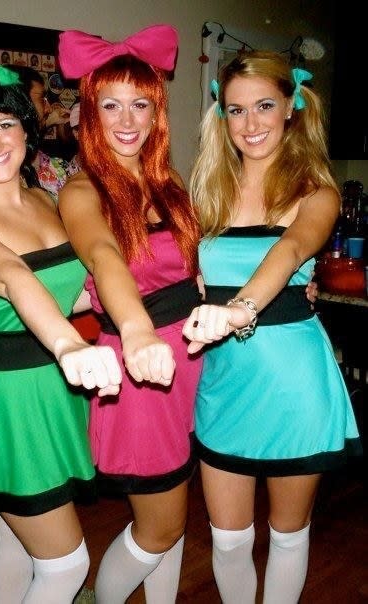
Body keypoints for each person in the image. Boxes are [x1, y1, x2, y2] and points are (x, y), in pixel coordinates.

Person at [0, 64, 123, 603]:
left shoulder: (42, 199)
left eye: (3, 123)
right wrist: (68, 344)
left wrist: (151, 299)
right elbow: (16, 279)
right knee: (65, 566)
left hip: (48, 386)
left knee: (19, 542)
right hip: (5, 397)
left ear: (25, 127)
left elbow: (71, 290)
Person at [182, 50, 362, 603]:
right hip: (225, 383)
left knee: (288, 534)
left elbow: (289, 250)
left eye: (264, 106)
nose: (251, 124)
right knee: (229, 539)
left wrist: (242, 308)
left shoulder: (317, 191)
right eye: (235, 111)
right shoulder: (206, 194)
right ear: (221, 116)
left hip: (293, 383)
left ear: (291, 107)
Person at [57, 25, 204, 603]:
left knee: (172, 519)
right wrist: (140, 331)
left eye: (140, 103)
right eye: (109, 103)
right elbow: (104, 256)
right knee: (161, 524)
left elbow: (194, 270)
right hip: (141, 370)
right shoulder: (81, 189)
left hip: (189, 361)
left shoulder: (171, 185)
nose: (126, 118)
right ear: (89, 112)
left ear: (156, 110)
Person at [7, 64, 75, 200]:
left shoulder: (59, 169)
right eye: (41, 99)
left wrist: (48, 122)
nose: (49, 108)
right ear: (20, 102)